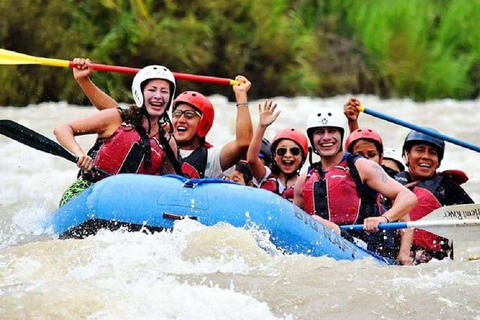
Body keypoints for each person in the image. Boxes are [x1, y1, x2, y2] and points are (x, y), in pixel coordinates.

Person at [71, 58, 253, 179]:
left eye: (189, 115)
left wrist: (241, 97)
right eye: (177, 114)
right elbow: (117, 115)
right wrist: (84, 81)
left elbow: (243, 143)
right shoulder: (154, 136)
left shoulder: (211, 158)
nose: (180, 119)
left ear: (203, 124)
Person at [293, 107, 418, 263]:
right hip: (323, 248)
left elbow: (408, 197)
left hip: (365, 248)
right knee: (316, 221)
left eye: (332, 131)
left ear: (341, 135)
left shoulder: (361, 166)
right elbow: (293, 218)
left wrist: (384, 219)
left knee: (317, 221)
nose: (326, 137)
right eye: (319, 132)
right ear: (311, 138)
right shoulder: (305, 177)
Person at [55, 64, 179, 206]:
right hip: (90, 190)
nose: (158, 96)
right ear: (139, 93)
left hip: (130, 204)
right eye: (152, 90)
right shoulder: (116, 118)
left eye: (164, 91)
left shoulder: (168, 143)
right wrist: (79, 153)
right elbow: (62, 129)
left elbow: (170, 186)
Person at [395, 129, 474, 263]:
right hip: (390, 255)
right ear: (407, 155)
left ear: (438, 162)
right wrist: (352, 122)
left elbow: (474, 219)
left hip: (432, 262)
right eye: (419, 150)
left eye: (432, 152)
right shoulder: (390, 181)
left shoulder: (447, 187)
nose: (426, 156)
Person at [345, 128, 413, 265]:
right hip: (352, 241)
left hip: (380, 244)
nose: (364, 159)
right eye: (359, 154)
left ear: (380, 158)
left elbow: (407, 224)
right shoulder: (343, 179)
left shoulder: (387, 185)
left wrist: (404, 254)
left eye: (371, 155)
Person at [247, 100, 308, 201]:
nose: (288, 155)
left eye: (294, 151)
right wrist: (262, 127)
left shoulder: (306, 182)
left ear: (303, 157)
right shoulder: (265, 175)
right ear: (274, 155)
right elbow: (252, 160)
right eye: (282, 151)